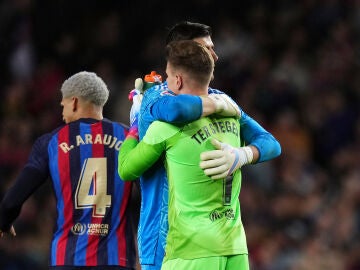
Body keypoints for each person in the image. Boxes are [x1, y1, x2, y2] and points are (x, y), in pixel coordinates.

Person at [131, 21, 281, 270]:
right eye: (206, 48)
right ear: (182, 53)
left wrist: (244, 154)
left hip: (215, 241)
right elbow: (178, 109)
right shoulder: (156, 96)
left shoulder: (219, 95)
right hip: (164, 237)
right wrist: (218, 105)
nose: (215, 55)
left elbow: (271, 143)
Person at [0, 71, 136, 270]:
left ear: (73, 102)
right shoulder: (128, 137)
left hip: (68, 258)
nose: (62, 113)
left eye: (62, 105)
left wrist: (5, 220)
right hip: (117, 259)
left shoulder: (51, 142)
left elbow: (13, 199)